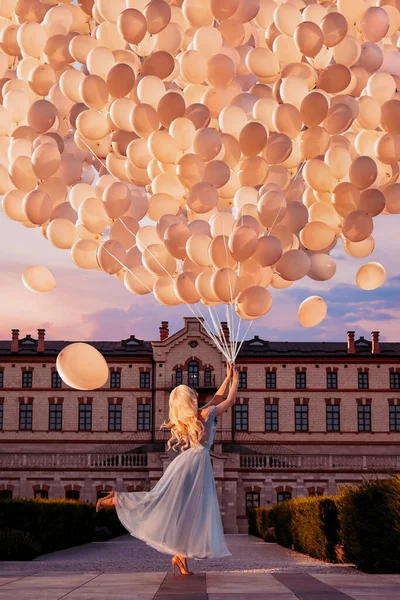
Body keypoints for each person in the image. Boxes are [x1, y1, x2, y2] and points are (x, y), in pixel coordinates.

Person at [96, 363, 239, 576]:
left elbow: (217, 398)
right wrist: (236, 379)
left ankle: (180, 557)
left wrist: (226, 379)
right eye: (192, 393)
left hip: (189, 462)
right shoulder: (205, 414)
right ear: (189, 400)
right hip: (197, 464)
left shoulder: (198, 415)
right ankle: (117, 499)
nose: (196, 392)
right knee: (184, 507)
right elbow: (229, 401)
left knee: (181, 507)